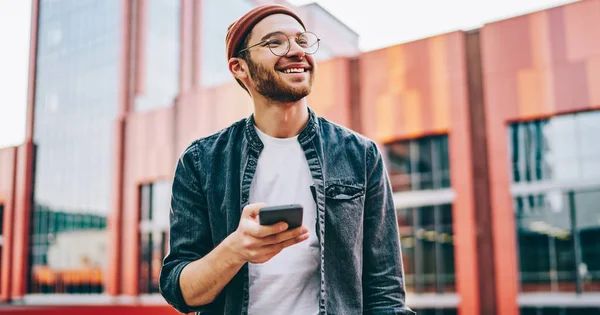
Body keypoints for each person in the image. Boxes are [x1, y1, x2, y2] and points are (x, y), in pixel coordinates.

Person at [159, 4, 415, 315]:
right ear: (240, 67)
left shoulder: (361, 156)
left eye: (303, 41)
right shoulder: (200, 162)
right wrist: (236, 248)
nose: (296, 51)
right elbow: (180, 290)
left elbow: (386, 296)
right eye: (275, 42)